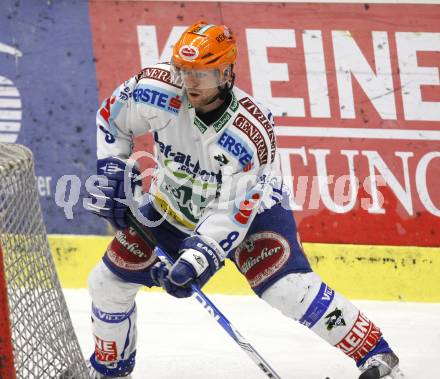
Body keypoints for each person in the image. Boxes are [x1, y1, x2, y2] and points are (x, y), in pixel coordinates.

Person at [86, 21, 404, 379]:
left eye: (202, 74)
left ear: (226, 73)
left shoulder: (250, 133)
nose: (190, 81)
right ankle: (109, 369)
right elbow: (112, 120)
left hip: (252, 212)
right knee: (107, 282)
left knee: (287, 289)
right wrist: (112, 167)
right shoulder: (154, 88)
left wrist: (196, 259)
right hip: (172, 204)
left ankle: (377, 356)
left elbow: (233, 210)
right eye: (185, 70)